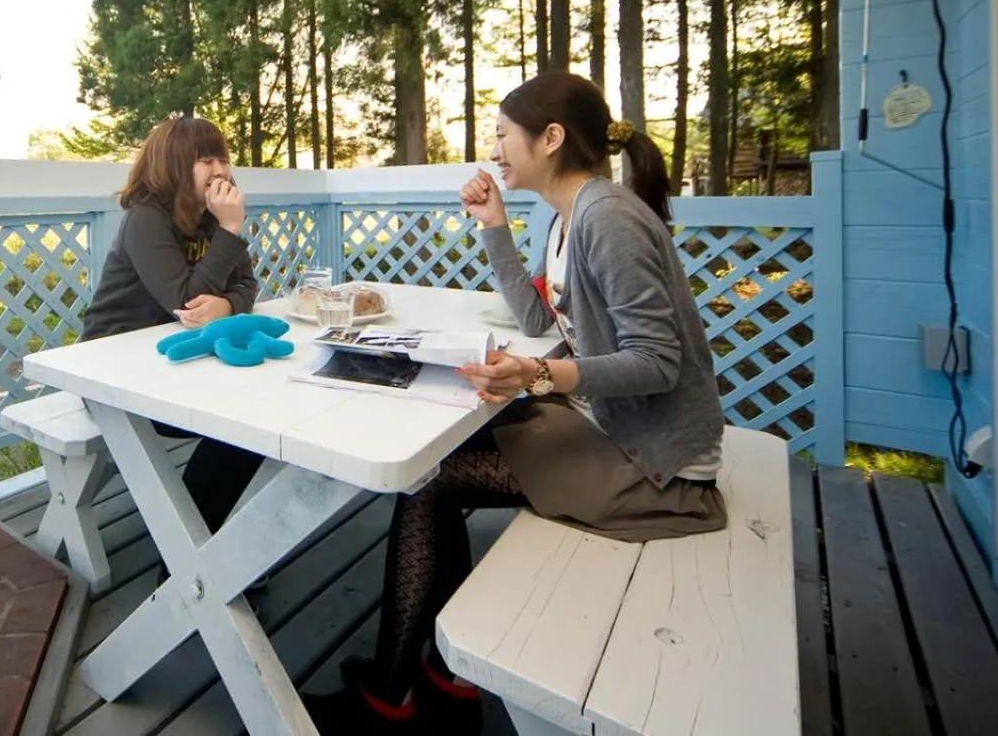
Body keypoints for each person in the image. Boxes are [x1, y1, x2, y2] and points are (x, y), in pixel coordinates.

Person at [305, 71, 727, 736]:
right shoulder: (566, 217)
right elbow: (540, 317)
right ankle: (442, 681)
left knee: (430, 483)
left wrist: (535, 377)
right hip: (611, 428)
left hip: (657, 463)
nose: (495, 146)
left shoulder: (607, 217)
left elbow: (657, 362)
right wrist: (495, 226)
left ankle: (393, 696)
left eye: (504, 132)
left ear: (551, 138)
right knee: (436, 464)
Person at [81, 115, 265, 538]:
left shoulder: (209, 220)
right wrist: (231, 228)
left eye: (222, 157)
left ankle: (208, 545)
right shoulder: (147, 218)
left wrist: (224, 304)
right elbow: (184, 303)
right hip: (112, 371)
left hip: (180, 360)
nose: (220, 169)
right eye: (205, 159)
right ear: (174, 165)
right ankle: (191, 558)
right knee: (238, 428)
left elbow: (247, 286)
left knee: (256, 414)